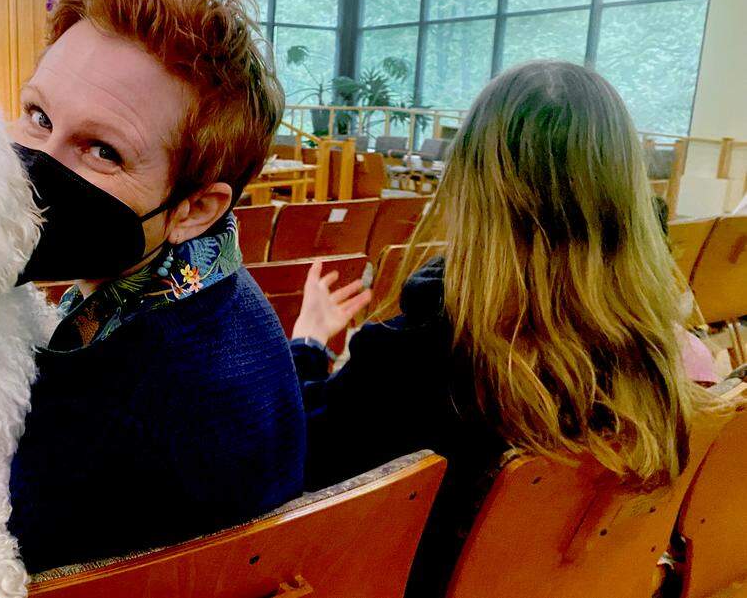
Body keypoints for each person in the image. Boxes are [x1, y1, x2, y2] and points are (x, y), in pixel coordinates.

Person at [0, 0, 304, 594]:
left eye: (103, 150)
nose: (23, 178)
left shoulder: (108, 405)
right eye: (38, 116)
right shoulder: (213, 296)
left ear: (195, 208)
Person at [290, 60, 706, 598]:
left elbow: (298, 461)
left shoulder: (416, 355)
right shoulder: (652, 354)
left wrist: (307, 344)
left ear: (468, 181)